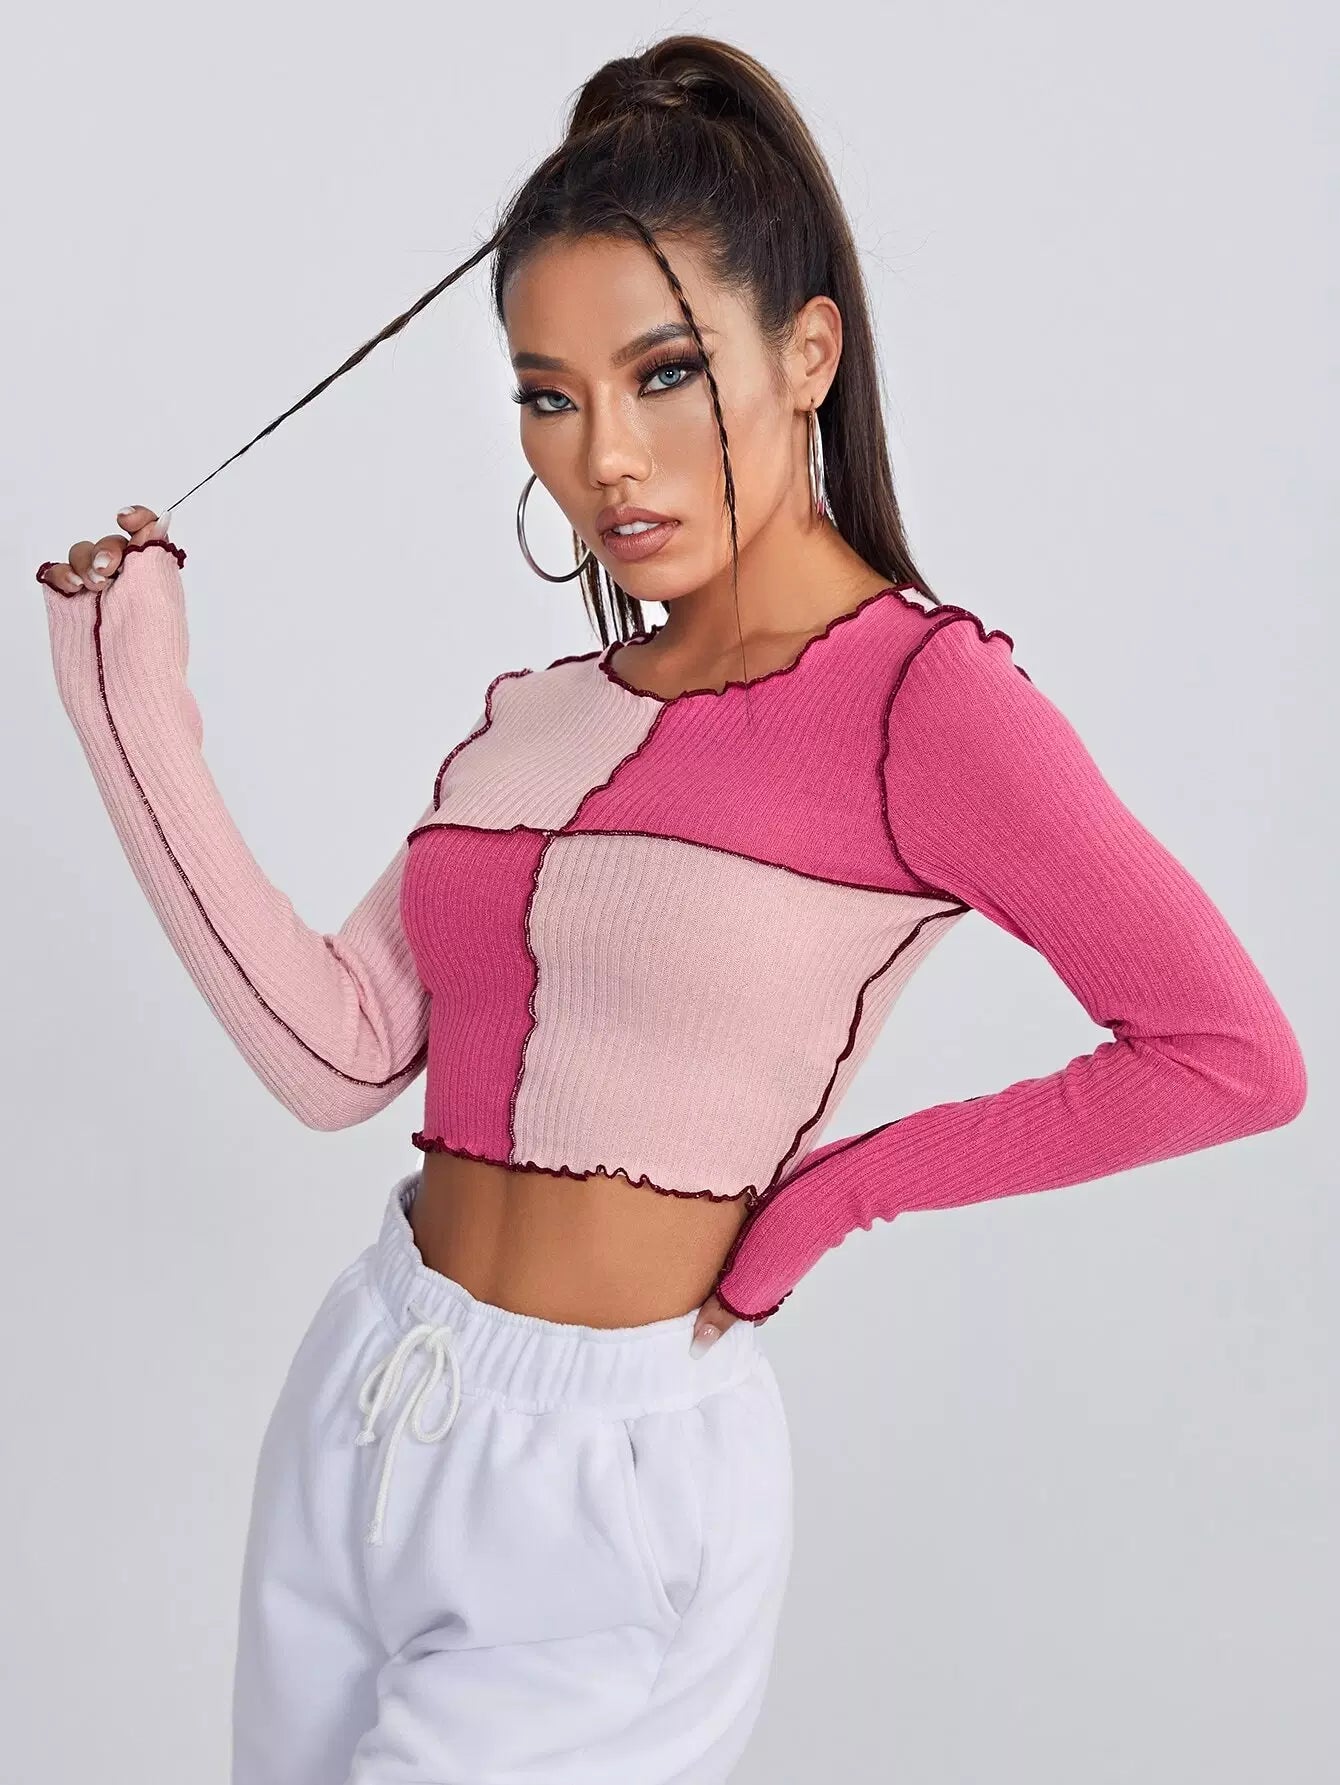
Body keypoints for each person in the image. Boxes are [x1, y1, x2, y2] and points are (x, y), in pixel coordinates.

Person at [34, 32, 1306, 1785]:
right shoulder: (541, 716)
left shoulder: (925, 702)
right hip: (368, 1390)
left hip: (609, 1495)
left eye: (664, 373)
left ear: (808, 354)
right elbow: (340, 1055)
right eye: (550, 396)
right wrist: (123, 695)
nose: (607, 461)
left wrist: (828, 1200)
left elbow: (1229, 1053)